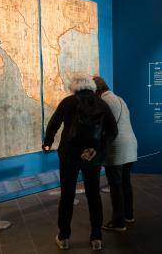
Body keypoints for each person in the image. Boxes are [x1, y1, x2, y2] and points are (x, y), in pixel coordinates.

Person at [42, 75, 118, 251]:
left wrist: (48, 141)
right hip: (92, 156)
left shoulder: (68, 102)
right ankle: (96, 237)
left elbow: (54, 123)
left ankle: (64, 237)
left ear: (74, 88)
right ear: (91, 87)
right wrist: (98, 150)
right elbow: (113, 130)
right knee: (94, 195)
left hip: (69, 155)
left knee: (67, 195)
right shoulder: (101, 104)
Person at [93, 76, 138, 231]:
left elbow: (104, 128)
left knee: (116, 185)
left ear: (97, 91)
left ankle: (118, 222)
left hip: (116, 148)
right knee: (125, 182)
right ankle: (128, 215)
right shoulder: (119, 99)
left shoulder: (104, 102)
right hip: (130, 145)